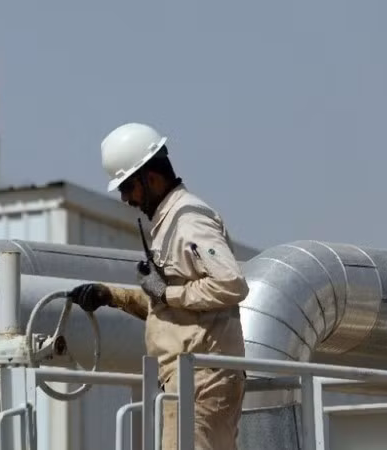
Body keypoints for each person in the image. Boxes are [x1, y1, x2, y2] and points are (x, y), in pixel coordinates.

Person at [68, 123, 248, 450]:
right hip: (190, 377)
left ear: (151, 178)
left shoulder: (189, 220)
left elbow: (231, 284)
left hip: (201, 377)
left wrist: (167, 292)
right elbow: (170, 311)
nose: (125, 199)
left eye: (128, 187)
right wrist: (111, 296)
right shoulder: (169, 222)